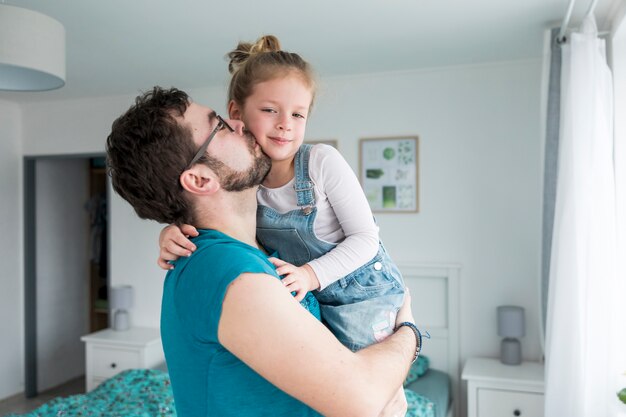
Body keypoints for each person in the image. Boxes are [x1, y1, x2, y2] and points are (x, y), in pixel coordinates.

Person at [106, 86, 422, 417]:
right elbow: (362, 400)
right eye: (222, 126)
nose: (240, 122)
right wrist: (409, 334)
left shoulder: (255, 250)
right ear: (200, 180)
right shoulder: (225, 269)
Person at [159, 35, 406, 351]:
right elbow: (211, 213)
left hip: (362, 296)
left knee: (374, 390)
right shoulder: (244, 179)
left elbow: (366, 239)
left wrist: (309, 275)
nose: (285, 125)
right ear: (236, 112)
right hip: (314, 301)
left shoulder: (320, 162)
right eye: (269, 110)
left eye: (297, 114)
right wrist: (172, 230)